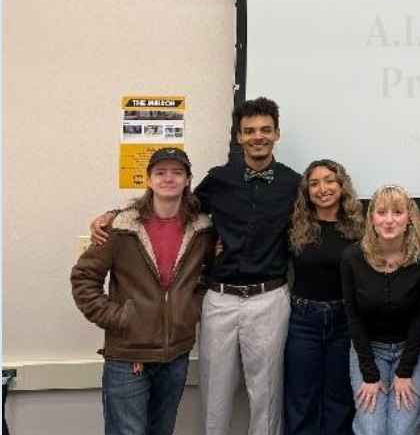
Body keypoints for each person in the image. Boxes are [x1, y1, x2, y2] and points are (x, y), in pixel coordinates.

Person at [91, 97, 300, 435]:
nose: (257, 136)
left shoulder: (294, 184)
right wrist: (116, 215)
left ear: (277, 133)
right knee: (214, 393)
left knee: (267, 394)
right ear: (238, 136)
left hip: (269, 298)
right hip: (219, 299)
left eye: (265, 130)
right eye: (249, 131)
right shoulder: (218, 179)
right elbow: (171, 205)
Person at [72, 147, 216, 435]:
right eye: (160, 172)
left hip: (175, 356)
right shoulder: (120, 227)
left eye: (177, 172)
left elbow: (208, 278)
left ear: (188, 180)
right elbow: (83, 278)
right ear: (148, 180)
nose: (168, 178)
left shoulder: (203, 230)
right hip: (127, 357)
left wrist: (190, 310)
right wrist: (120, 317)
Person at [341, 185, 420, 435]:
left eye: (397, 212)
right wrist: (370, 374)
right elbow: (353, 317)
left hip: (413, 346)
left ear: (409, 218)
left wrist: (405, 372)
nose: (389, 220)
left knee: (401, 429)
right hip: (370, 349)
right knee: (371, 430)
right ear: (371, 218)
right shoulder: (352, 257)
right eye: (381, 212)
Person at [285, 160, 365, 435]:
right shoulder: (295, 226)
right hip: (303, 321)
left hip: (345, 322)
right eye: (315, 183)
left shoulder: (360, 229)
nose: (323, 189)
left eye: (330, 181)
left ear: (342, 186)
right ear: (307, 191)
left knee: (340, 398)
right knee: (301, 398)